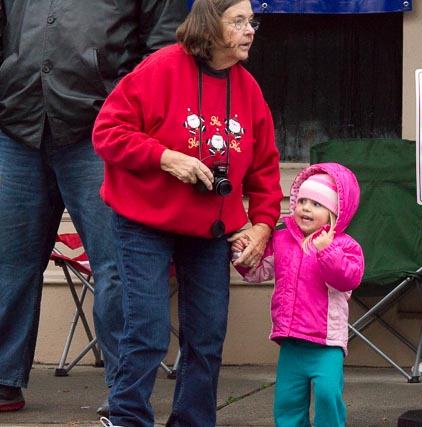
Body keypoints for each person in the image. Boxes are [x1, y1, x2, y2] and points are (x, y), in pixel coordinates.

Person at [91, 0, 282, 425]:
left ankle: (193, 421)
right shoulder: (160, 68)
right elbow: (106, 132)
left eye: (252, 21)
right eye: (238, 21)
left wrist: (263, 225)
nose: (250, 30)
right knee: (147, 329)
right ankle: (126, 418)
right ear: (209, 25)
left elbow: (266, 167)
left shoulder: (248, 88)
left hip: (210, 228)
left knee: (208, 335)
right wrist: (164, 158)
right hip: (144, 222)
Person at [0, 0, 186, 414]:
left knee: (117, 265)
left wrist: (128, 113)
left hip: (103, 131)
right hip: (16, 125)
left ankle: (126, 391)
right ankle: (3, 379)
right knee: (7, 262)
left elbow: (164, 48)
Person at [231, 163, 364, 427]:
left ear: (334, 213)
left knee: (328, 395)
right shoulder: (282, 239)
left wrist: (327, 251)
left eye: (316, 204)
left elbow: (348, 279)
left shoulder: (345, 246)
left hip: (326, 343)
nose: (305, 208)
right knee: (288, 402)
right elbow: (260, 271)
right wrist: (241, 256)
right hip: (291, 339)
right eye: (302, 200)